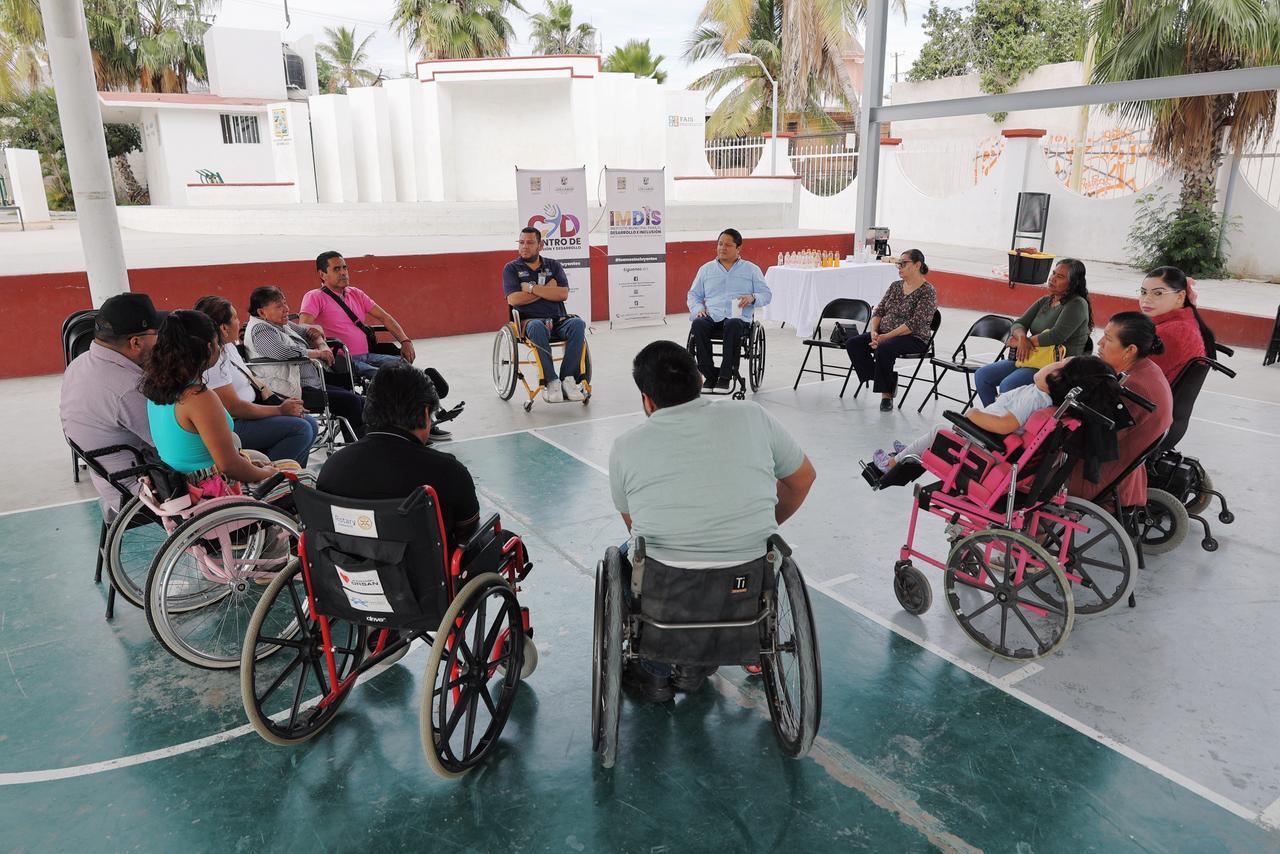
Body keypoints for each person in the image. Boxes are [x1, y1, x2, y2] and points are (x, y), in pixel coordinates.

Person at [608, 341, 817, 702]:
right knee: (753, 562)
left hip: (667, 582)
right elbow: (802, 479)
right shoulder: (752, 416)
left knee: (625, 560)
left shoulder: (625, 446)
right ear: (700, 380)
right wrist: (759, 526)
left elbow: (634, 524)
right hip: (750, 572)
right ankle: (707, 658)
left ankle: (656, 673)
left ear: (647, 400)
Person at [317, 363, 483, 665]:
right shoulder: (446, 471)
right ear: (425, 414)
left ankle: (383, 629)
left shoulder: (333, 467)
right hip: (424, 593)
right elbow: (468, 533)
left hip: (350, 587)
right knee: (498, 542)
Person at [868, 355, 1120, 477]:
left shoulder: (1036, 398)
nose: (1052, 363)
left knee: (938, 432)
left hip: (984, 443)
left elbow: (1004, 425)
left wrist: (973, 414)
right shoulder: (1046, 400)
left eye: (1059, 362)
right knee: (935, 435)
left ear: (1055, 376)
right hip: (991, 443)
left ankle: (893, 463)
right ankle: (911, 451)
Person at [300, 251, 454, 440]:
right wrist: (322, 344)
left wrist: (405, 341)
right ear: (322, 274)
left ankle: (428, 419)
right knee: (393, 378)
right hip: (343, 360)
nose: (343, 272)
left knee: (409, 370)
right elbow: (305, 328)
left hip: (367, 354)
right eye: (337, 269)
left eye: (345, 268)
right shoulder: (315, 297)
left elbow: (385, 317)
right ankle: (413, 426)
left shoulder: (355, 293)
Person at [139, 310, 287, 496]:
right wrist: (267, 473)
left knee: (267, 462)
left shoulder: (158, 388)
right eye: (218, 343)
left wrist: (250, 466)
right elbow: (229, 467)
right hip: (211, 491)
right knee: (302, 477)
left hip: (182, 485)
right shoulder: (199, 398)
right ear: (209, 348)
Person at [60, 293, 165, 518]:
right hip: (140, 490)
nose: (159, 341)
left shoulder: (78, 364)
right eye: (156, 334)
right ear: (135, 342)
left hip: (108, 481)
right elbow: (169, 444)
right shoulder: (128, 389)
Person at [194, 295, 317, 467]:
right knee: (300, 429)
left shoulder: (228, 347)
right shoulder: (212, 362)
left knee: (310, 422)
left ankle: (295, 474)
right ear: (223, 328)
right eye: (235, 318)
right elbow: (233, 408)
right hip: (234, 424)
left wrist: (280, 403)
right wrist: (279, 410)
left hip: (251, 410)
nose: (239, 322)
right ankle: (271, 476)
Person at [1068, 312, 1173, 509]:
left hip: (1095, 476)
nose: (1100, 343)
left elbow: (1091, 439)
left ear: (1130, 350)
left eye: (1108, 339)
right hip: (1120, 469)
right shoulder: (1147, 369)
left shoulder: (1133, 389)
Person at [244, 285, 366, 439]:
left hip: (309, 383)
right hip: (290, 390)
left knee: (359, 400)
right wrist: (317, 353)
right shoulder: (261, 330)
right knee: (351, 402)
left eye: (285, 303)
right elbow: (283, 352)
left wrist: (322, 345)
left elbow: (309, 331)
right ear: (262, 312)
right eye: (279, 306)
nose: (286, 309)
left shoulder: (280, 324)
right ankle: (357, 444)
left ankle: (359, 441)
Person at [975, 258, 1094, 406]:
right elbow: (1019, 323)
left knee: (1008, 385)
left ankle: (1005, 419)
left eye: (1060, 277)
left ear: (1073, 282)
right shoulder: (1046, 301)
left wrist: (1024, 343)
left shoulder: (1077, 304)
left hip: (1056, 367)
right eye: (1053, 273)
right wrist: (1022, 339)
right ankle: (992, 414)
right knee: (982, 376)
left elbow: (1056, 336)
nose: (1052, 279)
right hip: (1032, 357)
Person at [501, 226, 588, 403]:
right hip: (530, 323)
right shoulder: (511, 268)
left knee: (578, 324)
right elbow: (514, 299)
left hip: (558, 320)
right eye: (521, 242)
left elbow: (562, 294)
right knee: (537, 326)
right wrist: (548, 289)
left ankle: (568, 379)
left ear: (540, 245)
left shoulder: (554, 265)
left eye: (530, 243)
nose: (524, 246)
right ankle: (551, 381)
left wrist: (531, 288)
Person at [844, 249, 938, 411]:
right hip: (885, 334)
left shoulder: (927, 291)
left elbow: (915, 323)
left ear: (917, 265)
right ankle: (887, 379)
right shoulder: (895, 286)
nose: (899, 267)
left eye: (904, 263)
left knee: (884, 348)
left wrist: (885, 337)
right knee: (853, 343)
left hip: (914, 338)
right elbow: (879, 311)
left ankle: (886, 395)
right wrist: (874, 332)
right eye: (898, 264)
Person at [686, 228, 772, 391]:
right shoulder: (706, 269)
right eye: (720, 244)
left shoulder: (751, 269)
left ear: (738, 248)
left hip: (738, 319)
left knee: (733, 324)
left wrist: (753, 297)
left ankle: (725, 377)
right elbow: (694, 294)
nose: (722, 248)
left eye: (728, 245)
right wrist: (698, 308)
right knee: (698, 323)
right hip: (712, 316)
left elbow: (766, 295)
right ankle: (710, 375)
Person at [1138, 266, 1216, 383]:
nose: (1146, 300)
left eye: (1158, 293)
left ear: (1180, 297)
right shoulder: (1182, 323)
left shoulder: (1170, 333)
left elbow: (1134, 374)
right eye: (1143, 292)